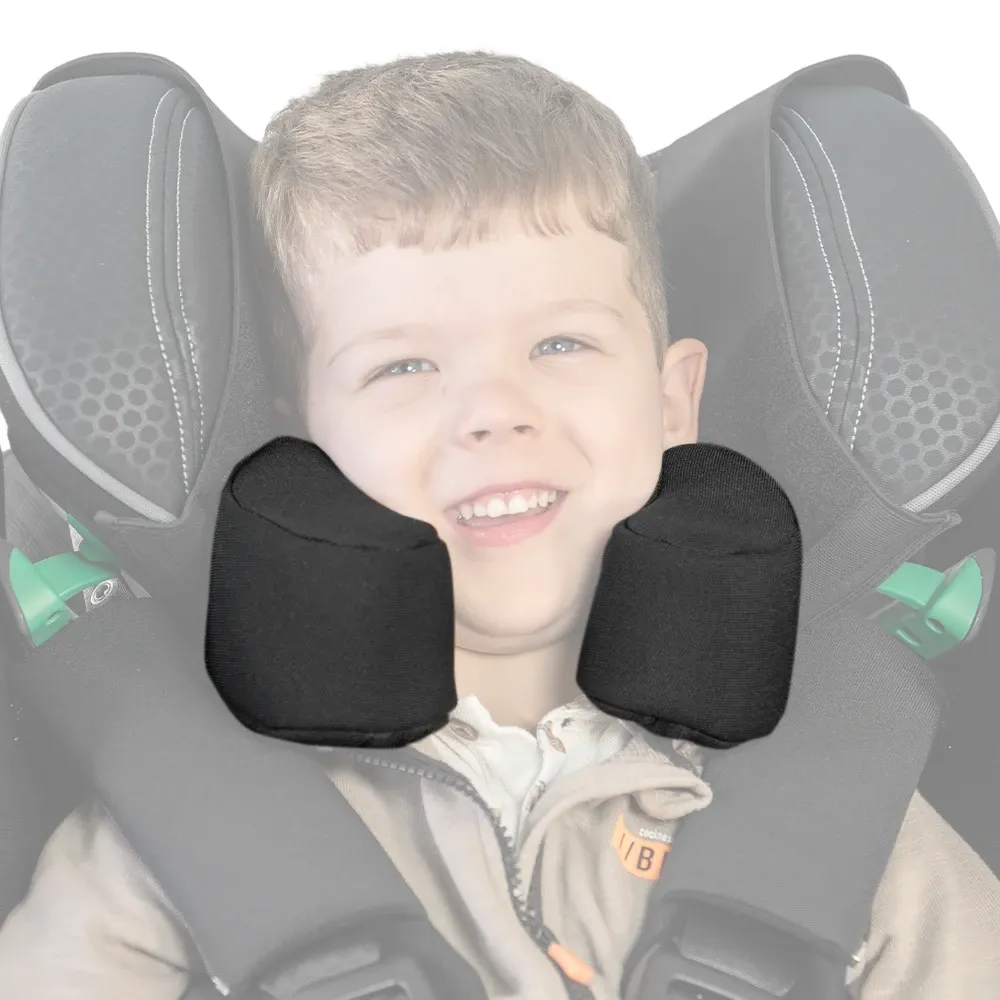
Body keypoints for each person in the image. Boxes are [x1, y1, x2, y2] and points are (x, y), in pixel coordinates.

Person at [1, 50, 998, 1000]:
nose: (493, 410)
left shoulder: (854, 819)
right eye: (403, 366)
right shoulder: (172, 837)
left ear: (671, 401)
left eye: (560, 343)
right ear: (301, 442)